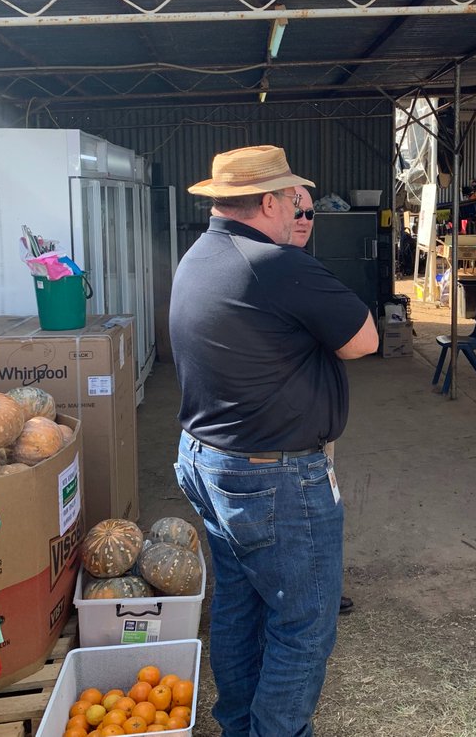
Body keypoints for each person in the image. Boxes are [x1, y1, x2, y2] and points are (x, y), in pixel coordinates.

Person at [170, 145, 378, 737]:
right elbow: (362, 340)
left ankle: (239, 724)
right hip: (273, 475)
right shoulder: (277, 265)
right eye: (294, 200)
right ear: (267, 202)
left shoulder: (200, 255)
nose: (300, 212)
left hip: (209, 460)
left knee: (241, 605)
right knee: (303, 623)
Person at [288, 184, 356, 616]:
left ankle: (319, 589)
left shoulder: (302, 267)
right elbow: (359, 340)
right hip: (289, 440)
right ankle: (312, 598)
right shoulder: (286, 271)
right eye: (295, 212)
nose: (303, 222)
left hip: (308, 426)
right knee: (305, 522)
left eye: (311, 215)